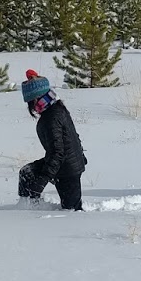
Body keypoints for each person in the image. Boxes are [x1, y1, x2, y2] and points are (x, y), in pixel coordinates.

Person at [17, 71, 87, 211]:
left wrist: (43, 179)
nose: (30, 108)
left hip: (68, 169)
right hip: (64, 163)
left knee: (72, 210)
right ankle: (28, 208)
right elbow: (73, 135)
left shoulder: (52, 117)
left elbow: (57, 152)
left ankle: (31, 211)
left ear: (35, 100)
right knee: (27, 173)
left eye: (29, 102)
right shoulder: (56, 107)